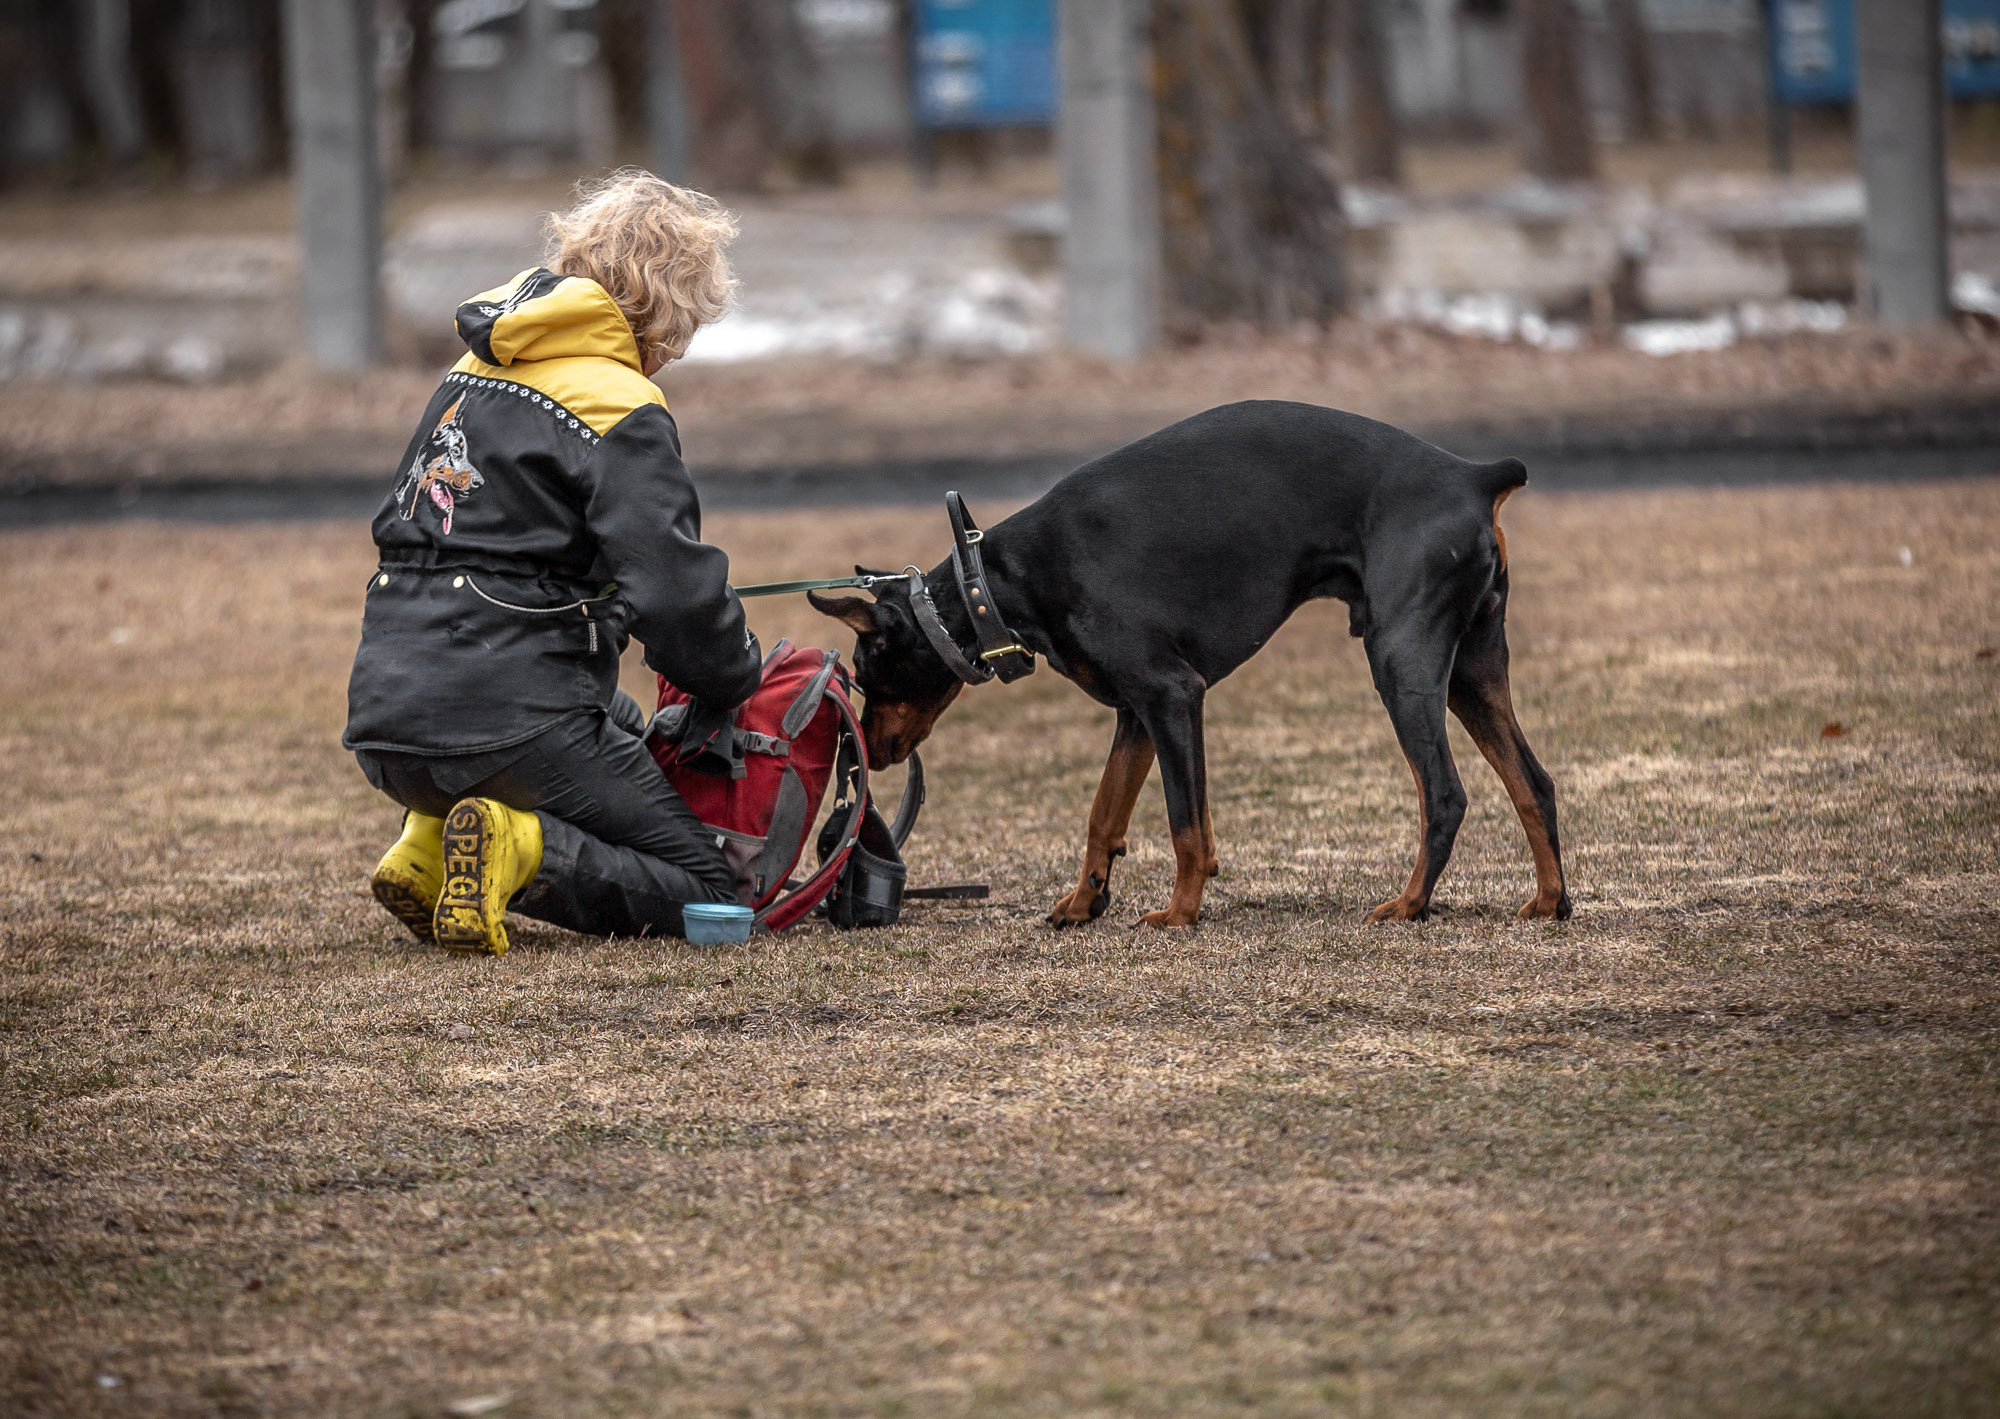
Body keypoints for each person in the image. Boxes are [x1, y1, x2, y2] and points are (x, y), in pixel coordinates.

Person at [343, 170, 762, 956]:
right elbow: (675, 597)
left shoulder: (471, 371)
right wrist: (736, 673)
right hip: (509, 715)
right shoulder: (617, 402)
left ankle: (428, 846)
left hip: (387, 715)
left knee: (626, 732)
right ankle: (513, 847)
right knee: (712, 893)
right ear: (667, 311)